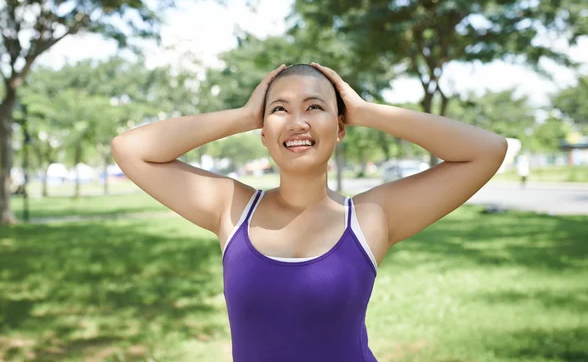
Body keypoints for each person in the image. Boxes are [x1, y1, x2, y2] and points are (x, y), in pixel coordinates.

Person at [111, 63, 508, 361]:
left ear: (339, 127)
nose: (298, 122)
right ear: (263, 133)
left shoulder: (371, 218)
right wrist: (244, 115)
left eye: (314, 107)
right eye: (280, 109)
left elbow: (486, 151)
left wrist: (364, 110)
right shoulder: (231, 209)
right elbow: (131, 150)